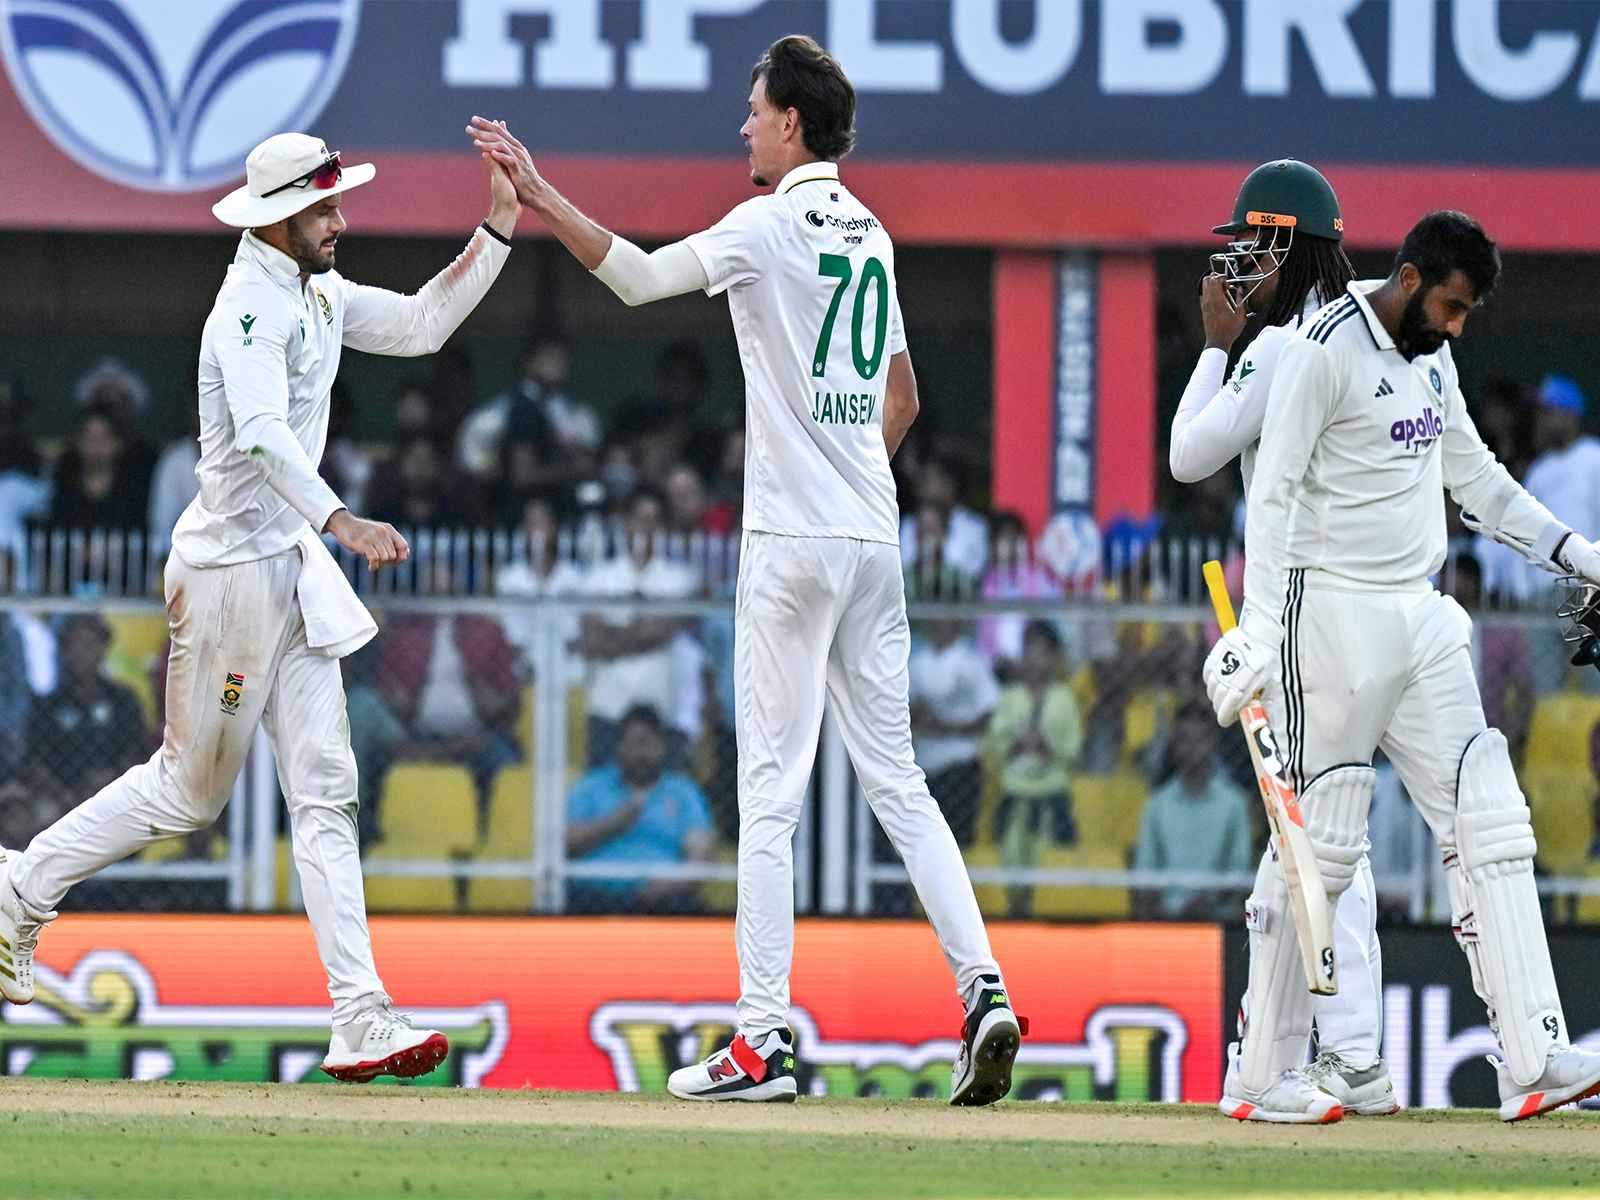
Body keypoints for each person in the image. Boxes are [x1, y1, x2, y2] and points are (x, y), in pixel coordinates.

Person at [473, 32, 1020, 1105]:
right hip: (873, 537)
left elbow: (632, 280)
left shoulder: (765, 226)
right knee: (899, 784)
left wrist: (536, 193)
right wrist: (847, 480)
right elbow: (901, 403)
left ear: (791, 124)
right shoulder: (872, 234)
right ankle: (984, 991)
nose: (741, 124)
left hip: (791, 545)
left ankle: (762, 1041)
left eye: (753, 108)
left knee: (768, 793)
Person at [0, 130, 520, 1084]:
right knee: (188, 792)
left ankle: (360, 1014)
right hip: (232, 575)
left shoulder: (314, 290)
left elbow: (418, 325)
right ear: (281, 217)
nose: (340, 220)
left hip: (287, 570)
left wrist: (497, 228)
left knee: (328, 792)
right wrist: (344, 519)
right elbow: (264, 436)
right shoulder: (247, 307)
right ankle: (19, 884)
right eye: (324, 208)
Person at [1203, 210, 1600, 1124]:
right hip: (1328, 614)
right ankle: (1261, 1074)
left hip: (1421, 612)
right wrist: (1260, 631)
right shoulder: (1321, 347)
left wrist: (1578, 554)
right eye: (1452, 307)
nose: (1458, 327)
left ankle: (1534, 1057)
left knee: (1490, 814)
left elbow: (1479, 480)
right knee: (1326, 840)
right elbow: (1273, 493)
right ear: (1413, 279)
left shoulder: (1433, 356)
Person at [1169, 159, 1399, 1119]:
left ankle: (1285, 1061)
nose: (1235, 267)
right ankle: (1355, 1054)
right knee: (1342, 839)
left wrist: (1218, 347)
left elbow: (1187, 457)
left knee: (1304, 838)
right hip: (1369, 608)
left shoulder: (1280, 347)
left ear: (1284, 247)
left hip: (1294, 621)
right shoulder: (1371, 342)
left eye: (1249, 247)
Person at [0, 614, 146, 849]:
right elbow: (34, 762)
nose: (81, 653)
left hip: (114, 794)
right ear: (64, 651)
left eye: (89, 645)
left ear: (103, 649)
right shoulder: (47, 705)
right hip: (54, 797)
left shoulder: (124, 700)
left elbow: (137, 754)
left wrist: (107, 783)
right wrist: (64, 796)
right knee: (22, 819)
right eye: (74, 645)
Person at [564, 703, 714, 913]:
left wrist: (667, 886)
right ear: (618, 746)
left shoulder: (684, 792)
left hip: (664, 900)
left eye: (649, 744)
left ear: (664, 748)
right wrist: (612, 823)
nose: (642, 753)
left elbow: (699, 858)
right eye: (635, 743)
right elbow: (564, 845)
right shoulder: (591, 786)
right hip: (594, 896)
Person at [984, 619, 1082, 914]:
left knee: (1048, 872)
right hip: (1015, 798)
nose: (1033, 659)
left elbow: (1073, 750)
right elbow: (995, 744)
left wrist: (1045, 746)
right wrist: (1018, 743)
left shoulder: (1064, 699)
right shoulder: (1010, 697)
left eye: (1041, 652)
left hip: (1052, 799)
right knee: (1011, 868)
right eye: (1028, 650)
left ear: (1054, 658)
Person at [1132, 700, 1253, 921]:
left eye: (1200, 740)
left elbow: (1239, 870)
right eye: (1184, 740)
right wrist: (1161, 909)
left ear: (1214, 743)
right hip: (1165, 918)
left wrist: (1209, 902)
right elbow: (1145, 869)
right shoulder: (1157, 805)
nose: (1192, 749)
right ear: (1174, 745)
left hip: (1218, 919)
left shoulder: (1233, 803)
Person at [908, 617, 998, 847]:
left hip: (961, 764)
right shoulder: (916, 663)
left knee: (957, 842)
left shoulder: (972, 660)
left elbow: (987, 712)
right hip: (924, 766)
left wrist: (948, 727)